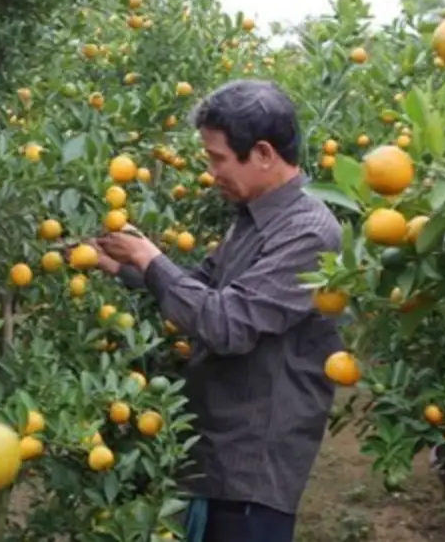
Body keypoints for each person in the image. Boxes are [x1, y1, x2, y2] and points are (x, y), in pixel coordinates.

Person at [88, 79, 343, 542]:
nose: (211, 171)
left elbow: (228, 323)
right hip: (216, 451)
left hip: (251, 466)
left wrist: (151, 259)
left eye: (218, 158)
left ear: (263, 153)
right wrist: (125, 267)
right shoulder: (252, 218)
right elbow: (204, 287)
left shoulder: (308, 233)